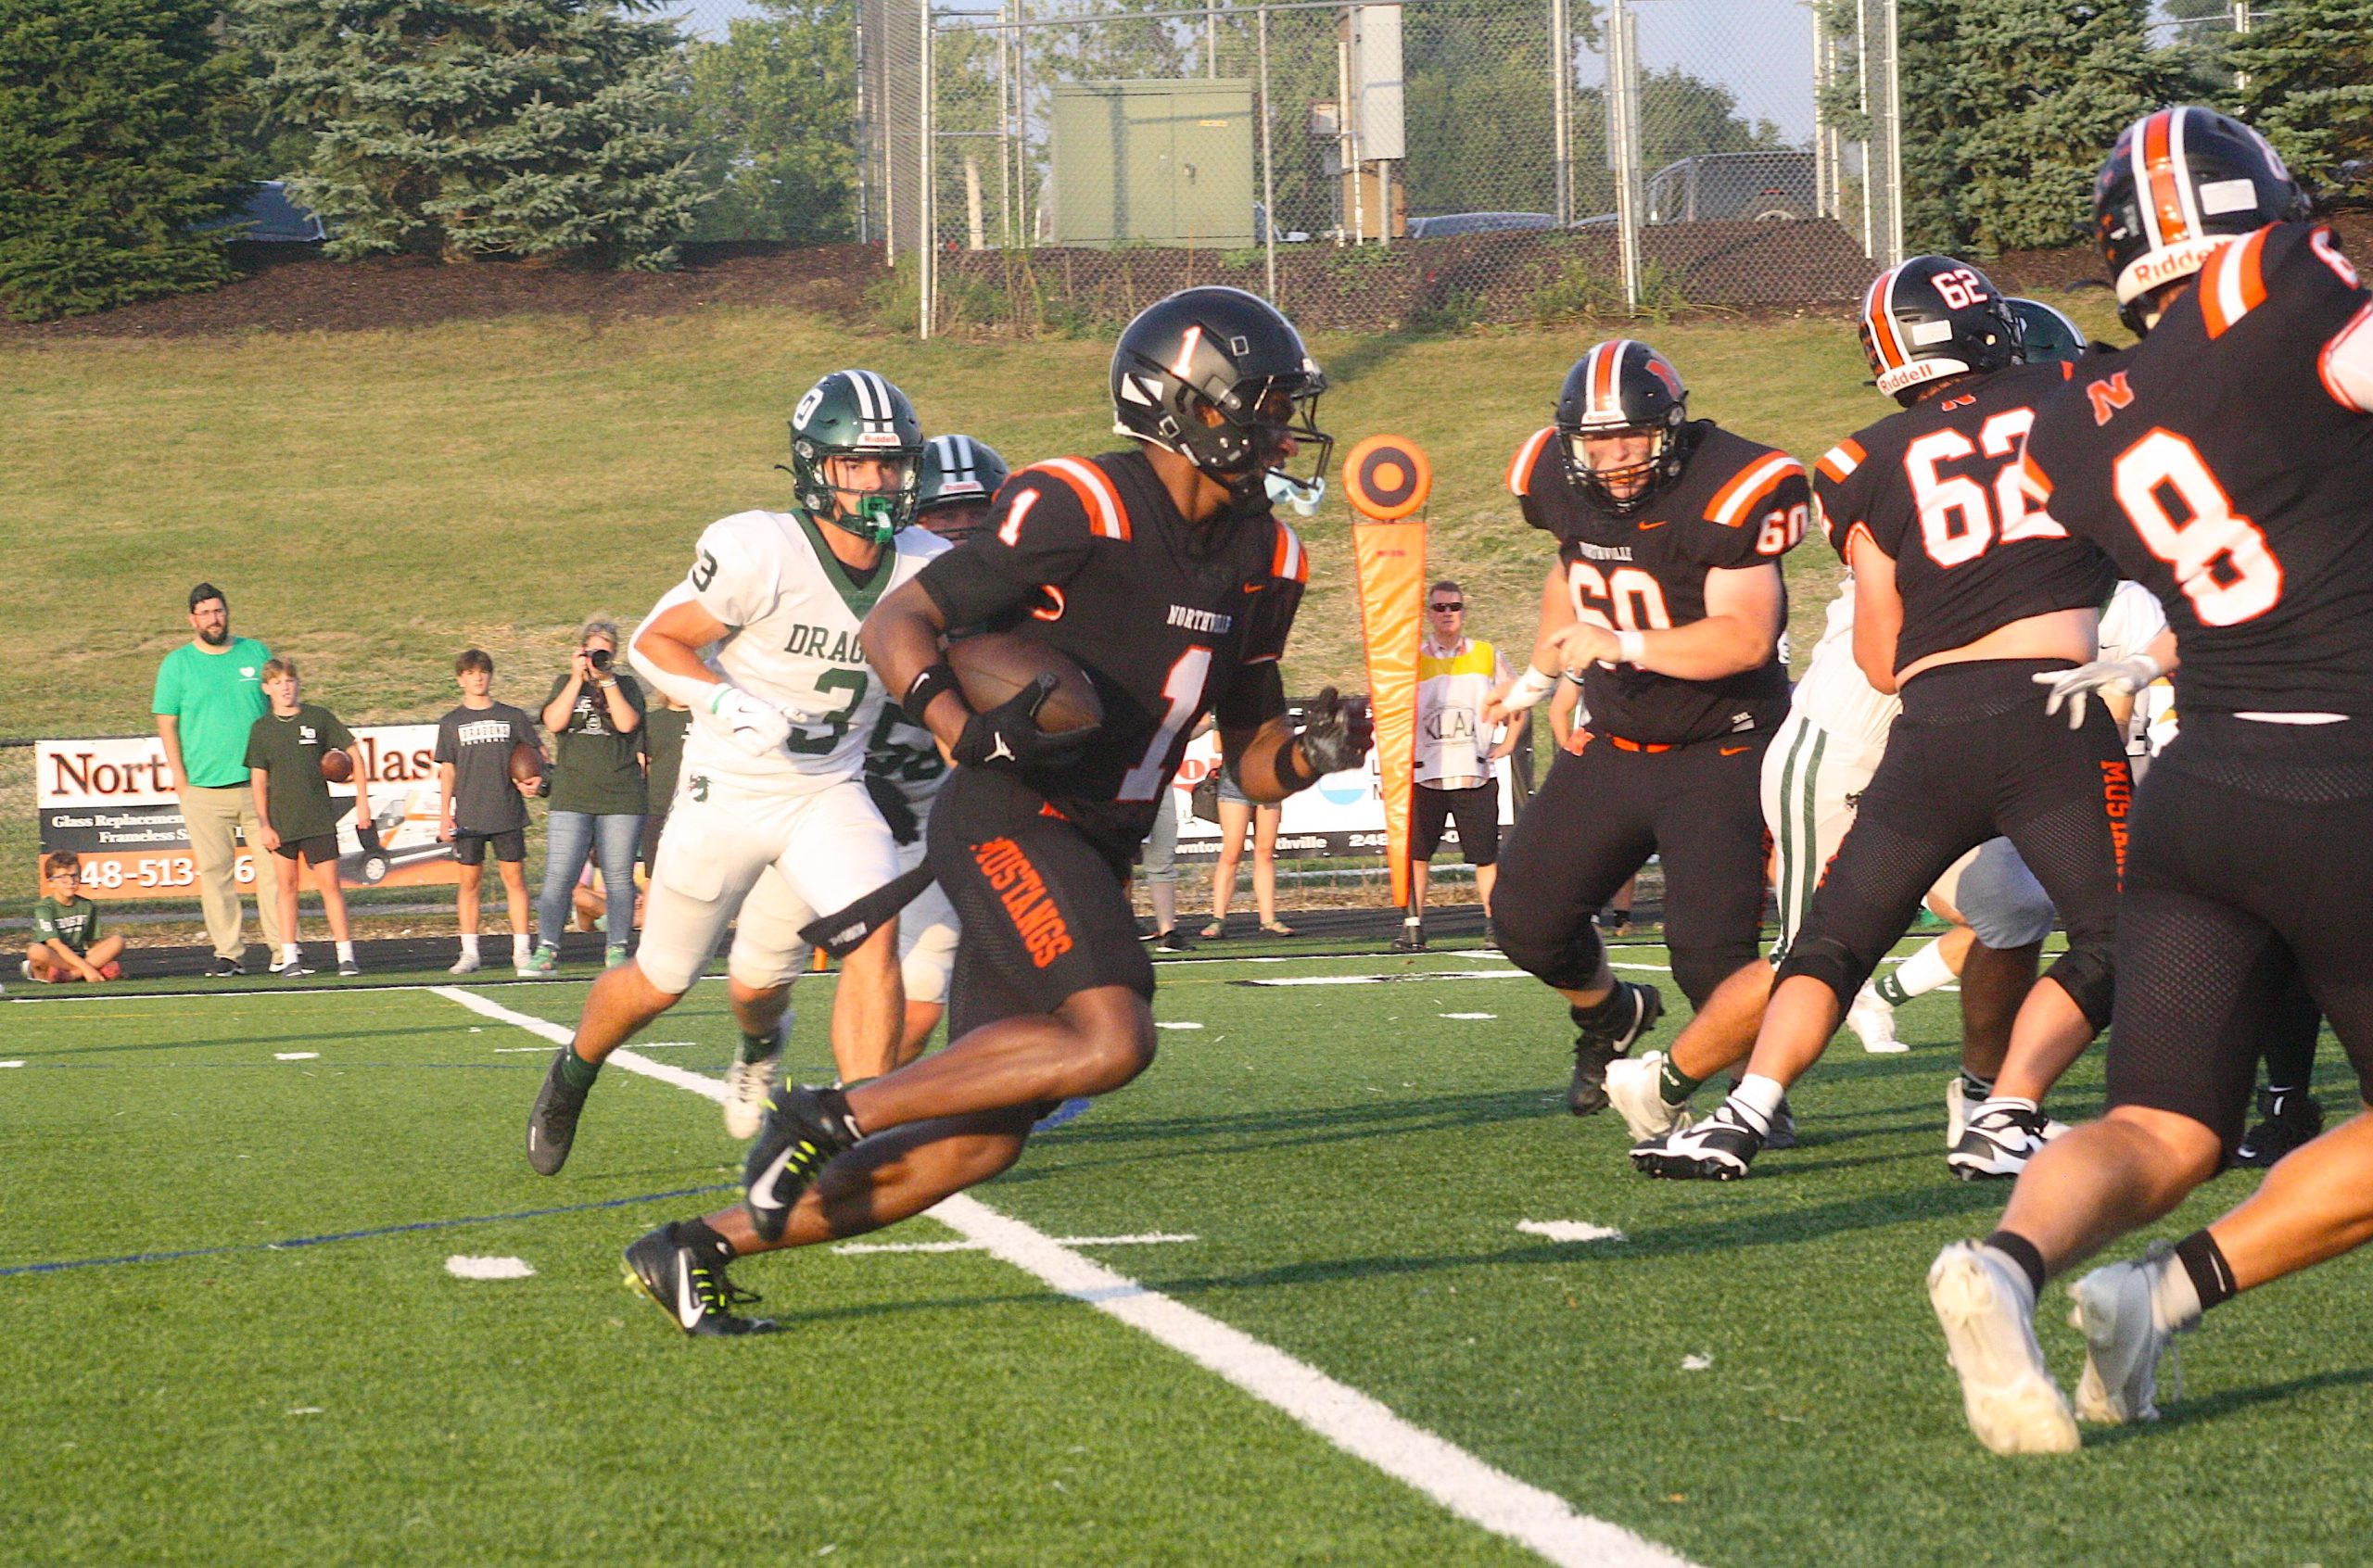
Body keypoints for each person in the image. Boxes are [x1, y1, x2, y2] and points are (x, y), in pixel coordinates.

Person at [620, 287, 1367, 1335]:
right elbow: (900, 622)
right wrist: (958, 727)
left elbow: (1249, 754)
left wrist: (1311, 753)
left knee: (978, 1141)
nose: (1285, 430)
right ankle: (828, 1112)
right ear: (1189, 405)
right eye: (1267, 405)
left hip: (1095, 842)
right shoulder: (1079, 503)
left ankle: (695, 1246)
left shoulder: (1268, 556)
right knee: (1112, 1038)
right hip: (1011, 811)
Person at [1926, 107, 2373, 1454]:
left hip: (2204, 785)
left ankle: (2011, 1267)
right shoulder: (2295, 287)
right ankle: (2168, 1290)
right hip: (2350, 778)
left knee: (2161, 1126)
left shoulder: (2076, 424)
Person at [1631, 256, 2130, 1183]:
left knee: (1833, 941)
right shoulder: (2072, 388)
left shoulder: (1859, 462)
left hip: (1929, 724)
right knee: (2121, 934)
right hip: (2048, 713)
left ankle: (1740, 1116)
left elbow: (1879, 658)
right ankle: (2006, 1110)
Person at [524, 369, 940, 1175]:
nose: (877, 483)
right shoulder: (763, 550)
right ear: (816, 467)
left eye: (890, 465)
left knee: (874, 935)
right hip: (731, 789)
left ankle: (859, 1136)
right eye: (856, 464)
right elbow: (654, 642)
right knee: (662, 978)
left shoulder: (927, 562)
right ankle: (573, 1072)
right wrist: (724, 701)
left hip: (829, 790)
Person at [1482, 338, 1806, 1117]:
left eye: (1633, 436)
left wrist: (1622, 644)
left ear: (1670, 428)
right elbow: (1574, 568)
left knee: (1709, 954)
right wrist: (1538, 678)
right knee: (1526, 921)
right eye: (1598, 440)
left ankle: (1755, 1092)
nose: (1617, 456)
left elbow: (1746, 638)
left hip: (1724, 743)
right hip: (1618, 738)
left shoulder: (1727, 486)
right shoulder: (1557, 479)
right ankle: (1610, 1014)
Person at [857, 432, 1013, 1057]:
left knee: (924, 991)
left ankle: (856, 1102)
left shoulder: (1023, 606)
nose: (961, 529)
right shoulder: (873, 596)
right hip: (832, 797)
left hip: (940, 810)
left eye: (976, 512)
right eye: (943, 515)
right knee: (762, 971)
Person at [151, 583, 283, 976]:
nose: (214, 619)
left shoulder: (254, 653)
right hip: (204, 790)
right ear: (192, 619)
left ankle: (283, 950)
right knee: (216, 876)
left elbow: (279, 708)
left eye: (219, 610)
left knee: (274, 872)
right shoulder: (178, 664)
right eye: (205, 613)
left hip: (257, 786)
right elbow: (166, 722)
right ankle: (229, 953)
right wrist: (180, 779)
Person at [1399, 579, 1515, 952]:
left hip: (1473, 774)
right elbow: (1391, 709)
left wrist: (1509, 741)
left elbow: (1518, 696)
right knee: (1416, 855)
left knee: (1486, 857)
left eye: (1454, 607)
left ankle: (1495, 926)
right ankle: (1412, 925)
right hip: (1425, 774)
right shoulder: (1412, 658)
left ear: (1464, 612)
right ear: (1429, 614)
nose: (1447, 614)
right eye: (1440, 607)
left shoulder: (1486, 654)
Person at [528, 616, 646, 974]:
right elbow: (553, 722)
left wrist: (606, 680)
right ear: (581, 651)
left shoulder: (626, 686)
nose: (598, 659)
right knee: (559, 876)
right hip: (572, 795)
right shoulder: (565, 683)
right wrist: (576, 678)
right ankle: (547, 949)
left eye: (605, 654)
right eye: (593, 652)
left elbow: (626, 723)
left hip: (620, 796)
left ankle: (617, 949)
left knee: (619, 879)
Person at [244, 658, 369, 978]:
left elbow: (354, 755)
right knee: (286, 888)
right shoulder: (262, 729)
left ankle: (346, 956)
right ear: (266, 689)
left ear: (298, 684)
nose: (285, 688)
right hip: (282, 821)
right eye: (277, 683)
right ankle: (290, 957)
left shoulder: (318, 718)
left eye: (290, 681)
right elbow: (258, 780)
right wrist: (264, 824)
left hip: (317, 818)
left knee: (330, 886)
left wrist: (362, 802)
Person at [435, 650, 543, 977]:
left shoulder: (512, 716)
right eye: (470, 673)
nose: (478, 677)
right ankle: (470, 952)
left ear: (490, 675)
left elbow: (537, 755)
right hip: (470, 814)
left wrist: (535, 779)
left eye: (482, 671)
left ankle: (522, 950)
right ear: (460, 680)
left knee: (515, 880)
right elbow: (448, 770)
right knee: (469, 883)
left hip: (506, 810)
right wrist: (444, 814)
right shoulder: (451, 722)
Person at [1201, 715, 1291, 939]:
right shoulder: (1228, 708)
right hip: (1235, 783)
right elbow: (1218, 745)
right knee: (1232, 852)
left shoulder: (1274, 709)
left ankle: (1268, 919)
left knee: (1265, 852)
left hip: (1270, 780)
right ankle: (1218, 919)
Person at [25, 852, 123, 983]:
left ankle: (71, 975)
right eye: (63, 877)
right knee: (36, 951)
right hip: (57, 957)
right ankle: (87, 971)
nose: (70, 882)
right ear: (51, 882)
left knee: (117, 941)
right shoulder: (45, 908)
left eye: (74, 876)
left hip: (81, 954)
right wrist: (88, 968)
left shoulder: (87, 906)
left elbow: (92, 943)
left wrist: (101, 958)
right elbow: (55, 944)